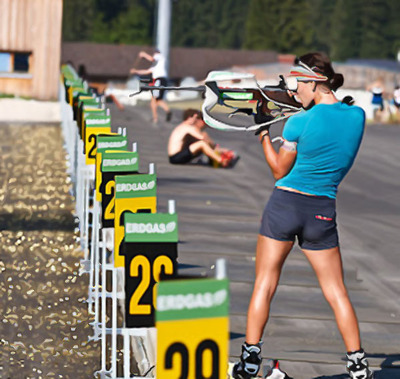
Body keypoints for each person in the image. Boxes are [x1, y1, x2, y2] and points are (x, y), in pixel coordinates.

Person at [231, 53, 372, 379]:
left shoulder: (297, 122)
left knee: (264, 285)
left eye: (299, 85)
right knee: (337, 291)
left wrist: (264, 133)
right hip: (322, 210)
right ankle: (358, 365)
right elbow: (331, 122)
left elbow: (280, 171)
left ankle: (250, 361)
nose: (294, 92)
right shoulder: (358, 116)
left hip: (285, 204)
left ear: (315, 82)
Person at [168, 109, 236, 167]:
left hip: (177, 157)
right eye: (195, 118)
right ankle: (220, 160)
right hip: (176, 157)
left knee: (202, 140)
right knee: (202, 143)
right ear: (189, 117)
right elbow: (201, 137)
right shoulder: (187, 127)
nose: (196, 120)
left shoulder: (184, 126)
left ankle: (214, 158)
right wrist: (216, 148)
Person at [130, 49, 172, 123]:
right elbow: (146, 72)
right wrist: (135, 71)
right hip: (162, 81)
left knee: (153, 100)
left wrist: (143, 54)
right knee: (158, 100)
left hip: (158, 81)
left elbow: (152, 59)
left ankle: (155, 118)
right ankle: (167, 111)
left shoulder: (159, 56)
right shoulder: (156, 66)